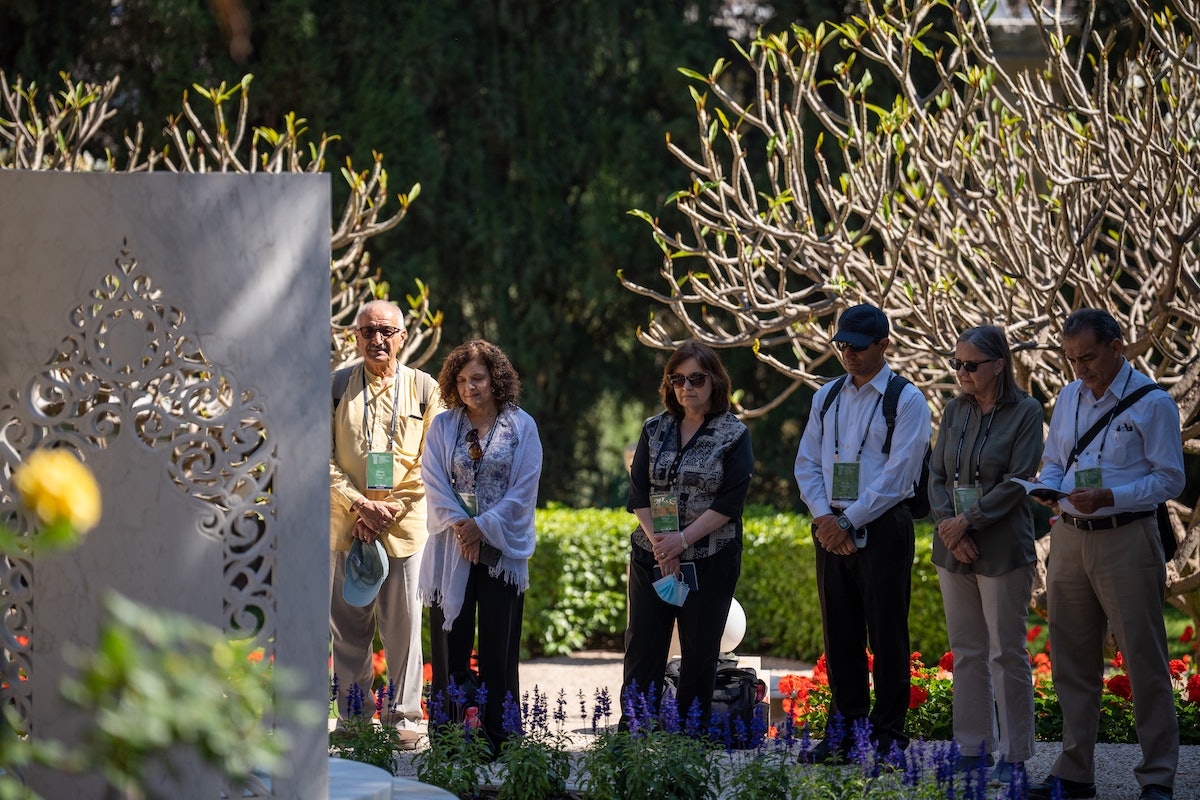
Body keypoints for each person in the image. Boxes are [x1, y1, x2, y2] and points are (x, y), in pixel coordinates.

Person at [1027, 309, 1184, 800]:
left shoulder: (1153, 403)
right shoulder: (1069, 395)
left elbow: (1170, 479)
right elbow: (1054, 461)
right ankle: (1075, 773)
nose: (1080, 369)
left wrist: (1111, 497)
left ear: (1118, 347)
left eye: (1088, 357)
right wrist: (1047, 488)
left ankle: (1157, 778)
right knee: (1072, 662)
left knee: (1144, 660)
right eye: (1072, 359)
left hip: (1127, 537)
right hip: (1069, 537)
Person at [793, 303, 931, 760]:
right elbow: (807, 463)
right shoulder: (826, 395)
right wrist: (824, 519)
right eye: (842, 345)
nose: (848, 353)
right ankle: (845, 733)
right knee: (840, 631)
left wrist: (848, 521)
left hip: (883, 524)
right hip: (829, 523)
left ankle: (889, 736)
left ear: (883, 345)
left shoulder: (906, 399)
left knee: (887, 632)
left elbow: (899, 476)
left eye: (857, 346)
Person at [929, 326, 1043, 785]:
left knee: (1006, 654)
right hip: (953, 547)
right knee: (968, 651)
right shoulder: (954, 409)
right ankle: (972, 747)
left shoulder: (1028, 411)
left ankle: (1015, 755)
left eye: (970, 364)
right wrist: (950, 529)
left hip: (1002, 548)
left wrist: (967, 522)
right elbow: (936, 474)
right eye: (956, 363)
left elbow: (1019, 481)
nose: (961, 372)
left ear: (999, 364)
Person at [620, 341, 753, 728]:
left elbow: (730, 502)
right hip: (653, 558)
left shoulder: (734, 434)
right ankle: (633, 740)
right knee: (642, 650)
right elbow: (639, 493)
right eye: (677, 379)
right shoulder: (653, 428)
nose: (686, 387)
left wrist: (682, 540)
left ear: (715, 381)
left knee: (699, 654)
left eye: (696, 378)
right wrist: (665, 545)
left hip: (710, 559)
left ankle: (688, 746)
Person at [418, 340, 542, 752]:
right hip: (451, 550)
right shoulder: (442, 426)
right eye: (462, 379)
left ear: (495, 379)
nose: (470, 386)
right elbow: (433, 482)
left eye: (479, 378)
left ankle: (500, 735)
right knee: (450, 641)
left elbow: (523, 490)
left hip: (500, 552)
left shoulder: (522, 426)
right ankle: (449, 736)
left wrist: (481, 528)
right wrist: (462, 528)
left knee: (498, 645)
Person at [330, 300, 440, 748]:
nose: (377, 339)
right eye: (368, 331)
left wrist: (387, 509)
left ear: (402, 336)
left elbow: (430, 461)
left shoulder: (423, 387)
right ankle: (355, 719)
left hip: (404, 528)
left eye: (386, 331)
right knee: (349, 626)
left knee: (404, 626)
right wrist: (360, 505)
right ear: (355, 337)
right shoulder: (336, 386)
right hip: (345, 525)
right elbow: (324, 458)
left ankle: (405, 716)